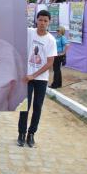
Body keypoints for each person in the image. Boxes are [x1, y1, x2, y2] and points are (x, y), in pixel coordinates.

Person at [17, 9, 57, 148]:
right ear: (36, 20)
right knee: (24, 107)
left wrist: (33, 75)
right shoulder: (29, 32)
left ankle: (31, 134)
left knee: (37, 107)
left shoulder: (51, 40)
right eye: (40, 20)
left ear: (49, 23)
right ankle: (21, 134)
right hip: (26, 77)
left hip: (41, 79)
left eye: (45, 21)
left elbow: (50, 62)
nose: (42, 23)